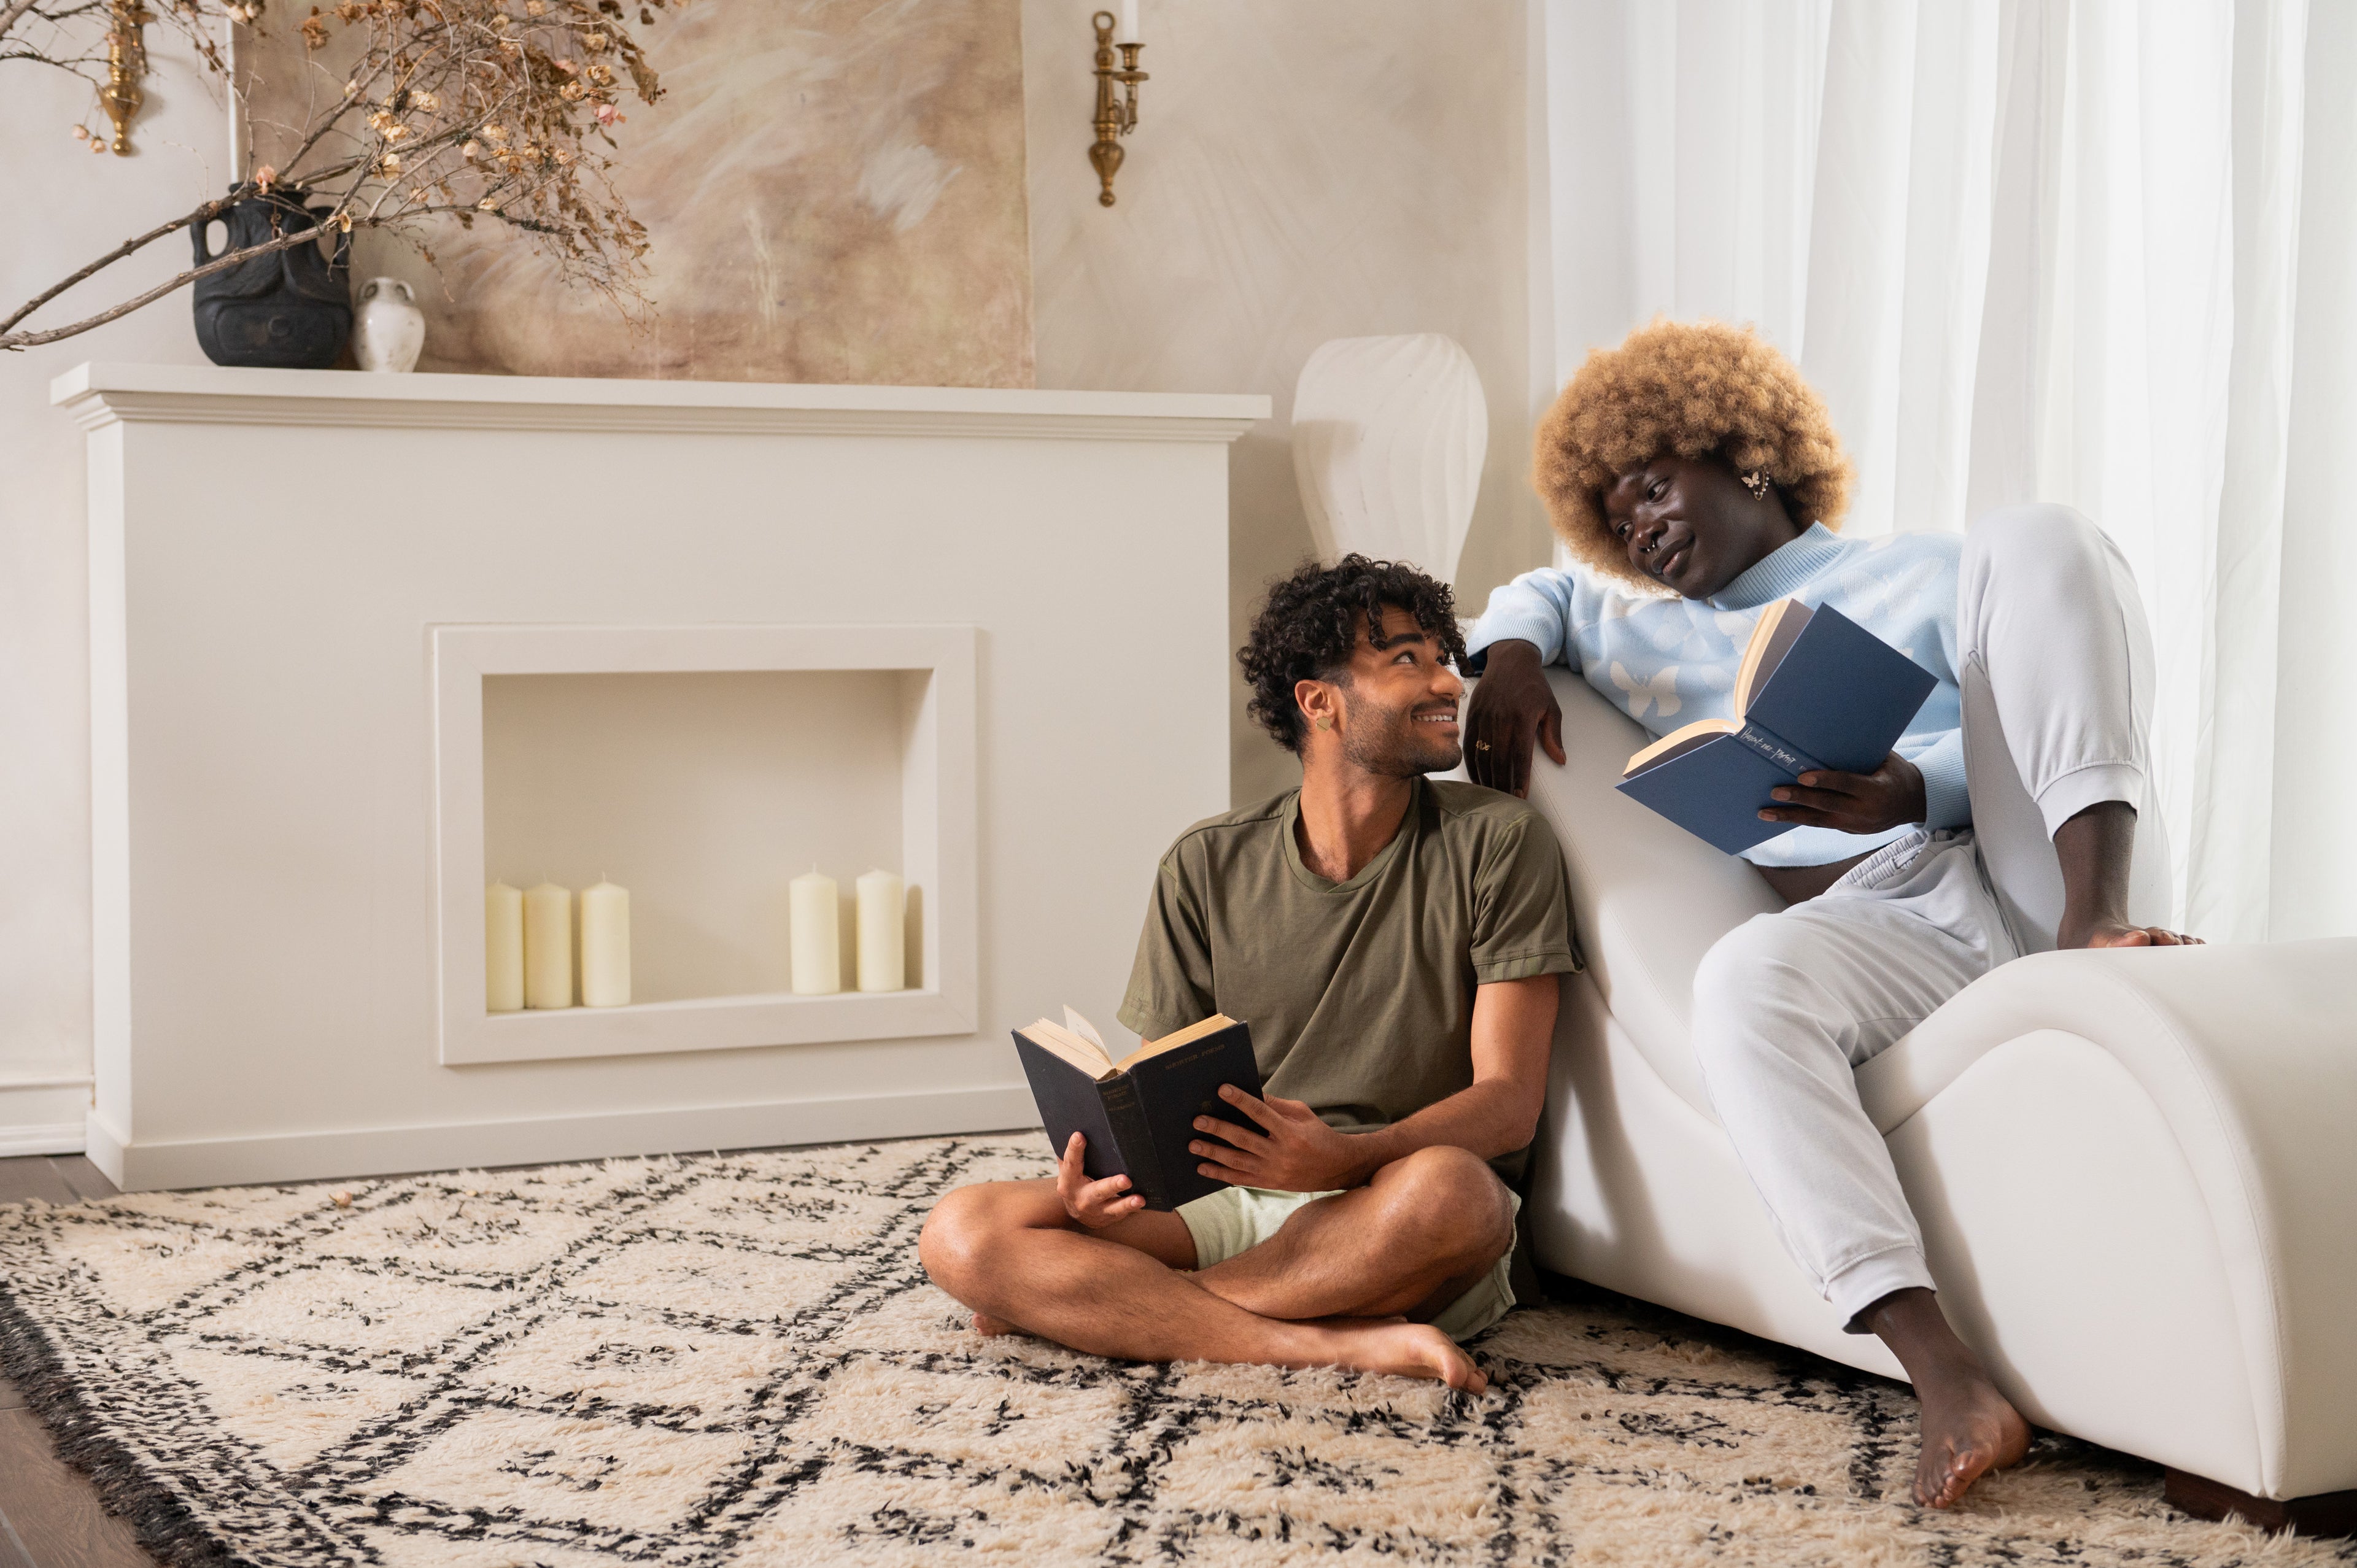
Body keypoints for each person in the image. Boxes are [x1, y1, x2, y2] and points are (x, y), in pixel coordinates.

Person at [1461, 317, 2198, 1510]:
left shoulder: (1921, 566)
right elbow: (1534, 587)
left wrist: (1914, 784)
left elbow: (2044, 702)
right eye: (1618, 509)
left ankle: (2100, 929)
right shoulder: (1637, 628)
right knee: (1737, 986)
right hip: (1883, 923)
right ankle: (1942, 1369)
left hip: (2013, 864)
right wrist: (1506, 654)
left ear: (1745, 455)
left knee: (2037, 534)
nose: (1639, 522)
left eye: (1655, 483)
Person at [921, 556, 1579, 1392]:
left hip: (1389, 1206)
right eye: (1410, 659)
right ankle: (1336, 1344)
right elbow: (1163, 1102)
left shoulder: (1500, 842)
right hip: (1228, 1204)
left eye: (1446, 659)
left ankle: (1139, 1312)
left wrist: (1344, 1158)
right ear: (1320, 701)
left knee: (1459, 1195)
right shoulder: (1207, 863)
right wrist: (1108, 1191)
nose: (1449, 681)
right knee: (962, 1230)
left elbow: (1509, 1106)